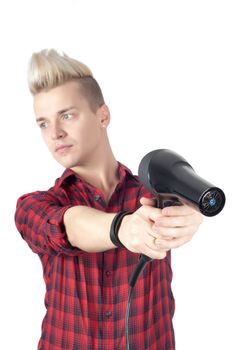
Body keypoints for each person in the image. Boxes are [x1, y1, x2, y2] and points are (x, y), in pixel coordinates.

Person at [15, 49, 203, 350]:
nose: (56, 133)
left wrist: (187, 217)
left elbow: (185, 207)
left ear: (103, 115)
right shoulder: (33, 207)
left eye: (67, 115)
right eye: (43, 123)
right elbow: (67, 224)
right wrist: (122, 228)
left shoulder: (153, 195)